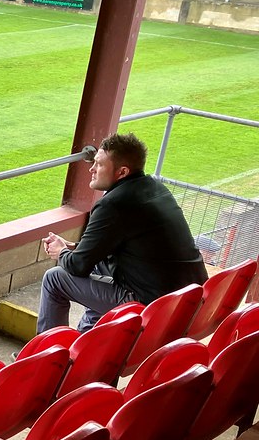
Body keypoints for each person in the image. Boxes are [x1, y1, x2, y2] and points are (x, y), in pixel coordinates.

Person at [37, 133, 207, 333]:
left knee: (54, 278)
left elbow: (77, 267)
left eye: (99, 164)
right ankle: (85, 340)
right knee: (99, 265)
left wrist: (61, 252)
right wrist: (73, 248)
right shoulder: (155, 188)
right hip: (190, 295)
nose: (91, 169)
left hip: (152, 303)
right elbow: (116, 248)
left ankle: (46, 353)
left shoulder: (113, 204)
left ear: (122, 171)